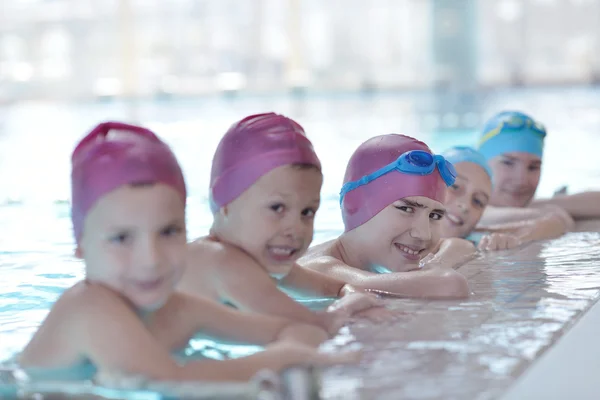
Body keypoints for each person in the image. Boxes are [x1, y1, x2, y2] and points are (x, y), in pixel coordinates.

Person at [18, 121, 357, 383]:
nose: (151, 259)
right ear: (79, 245)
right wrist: (285, 357)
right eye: (122, 238)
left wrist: (298, 343)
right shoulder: (89, 309)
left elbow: (285, 329)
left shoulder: (180, 309)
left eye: (168, 232)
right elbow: (174, 383)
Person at [179, 113, 385, 336]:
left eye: (307, 212)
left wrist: (351, 293)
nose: (295, 228)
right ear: (224, 202)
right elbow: (316, 326)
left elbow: (335, 287)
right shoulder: (221, 262)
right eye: (277, 208)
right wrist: (353, 307)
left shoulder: (263, 264)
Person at [298, 134, 470, 299]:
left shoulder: (374, 257)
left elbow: (459, 245)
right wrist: (432, 270)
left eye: (434, 215)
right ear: (354, 205)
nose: (423, 234)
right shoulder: (316, 269)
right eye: (406, 209)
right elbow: (450, 285)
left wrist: (434, 264)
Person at [440, 146, 571, 252]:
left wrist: (513, 240)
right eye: (455, 187)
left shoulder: (475, 239)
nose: (465, 205)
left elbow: (556, 222)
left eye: (478, 201)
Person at [476, 111, 584, 228]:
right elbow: (557, 218)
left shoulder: (532, 208)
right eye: (508, 163)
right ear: (480, 165)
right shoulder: (465, 216)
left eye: (533, 167)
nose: (521, 180)